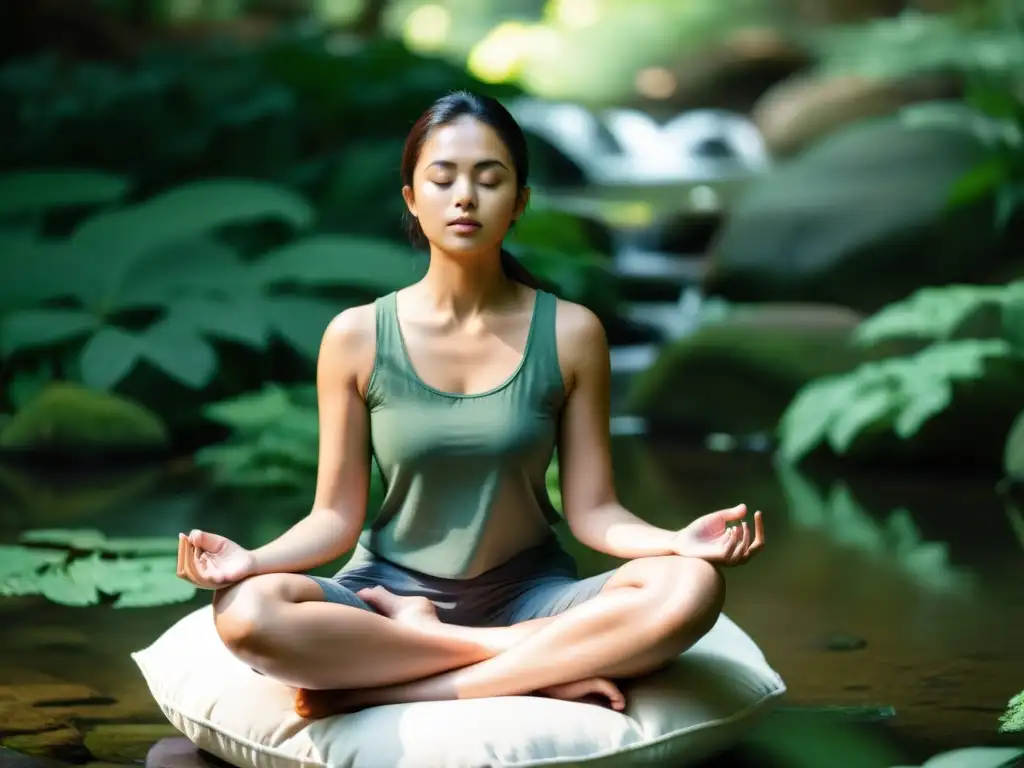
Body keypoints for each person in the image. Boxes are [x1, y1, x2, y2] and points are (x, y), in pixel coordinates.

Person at [176, 90, 765, 720]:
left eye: (490, 180)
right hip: (383, 596)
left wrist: (675, 541)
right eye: (443, 178)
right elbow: (334, 519)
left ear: (519, 203)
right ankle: (529, 665)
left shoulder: (571, 333)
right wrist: (251, 561)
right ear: (411, 198)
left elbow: (594, 513)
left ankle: (398, 682)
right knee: (246, 611)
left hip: (531, 595)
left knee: (691, 586)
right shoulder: (356, 336)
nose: (465, 197)